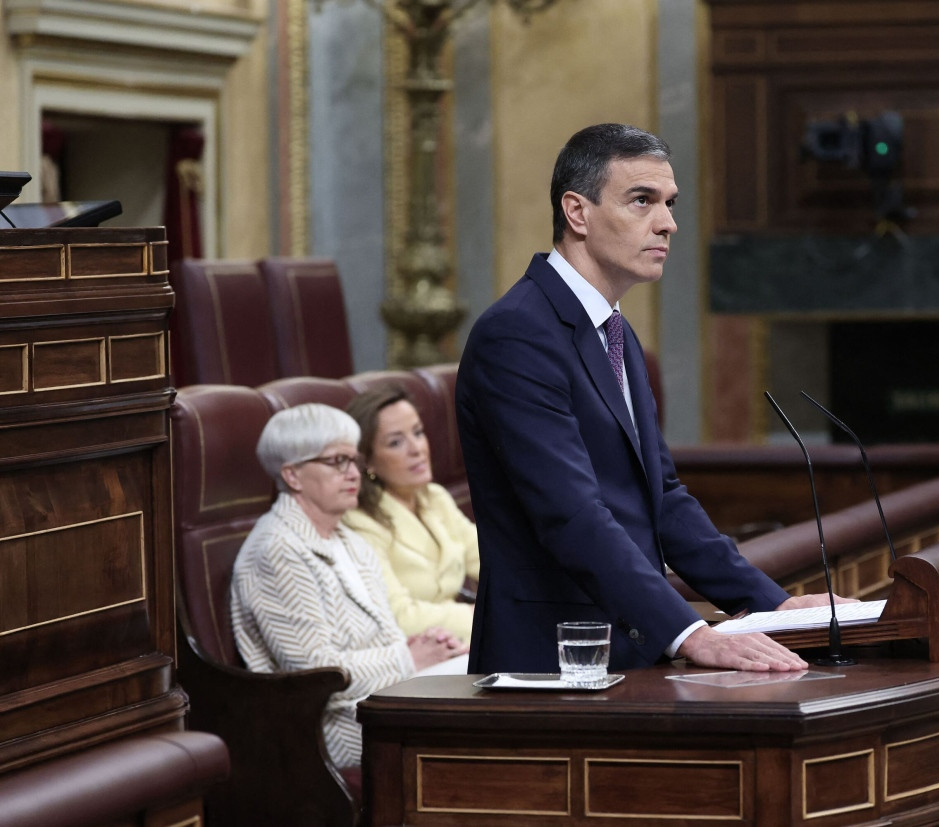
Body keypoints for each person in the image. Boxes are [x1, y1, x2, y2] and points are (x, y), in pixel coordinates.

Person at [456, 122, 853, 676]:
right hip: (551, 663)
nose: (667, 223)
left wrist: (774, 605)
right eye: (641, 201)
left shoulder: (613, 330)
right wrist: (690, 633)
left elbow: (661, 498)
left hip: (628, 649)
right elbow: (571, 515)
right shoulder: (517, 334)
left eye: (669, 203)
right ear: (577, 213)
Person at [229, 403, 451, 770]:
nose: (354, 473)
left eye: (354, 459)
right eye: (336, 461)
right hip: (332, 731)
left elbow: (384, 636)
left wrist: (425, 648)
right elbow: (315, 675)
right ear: (293, 475)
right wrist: (408, 658)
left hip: (385, 705)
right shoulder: (277, 550)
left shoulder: (350, 540)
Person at [343, 386, 475, 658]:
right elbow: (399, 616)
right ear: (367, 461)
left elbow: (495, 563)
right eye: (396, 442)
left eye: (418, 432)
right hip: (418, 659)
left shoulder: (435, 497)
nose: (417, 449)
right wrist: (485, 617)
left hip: (464, 645)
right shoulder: (359, 521)